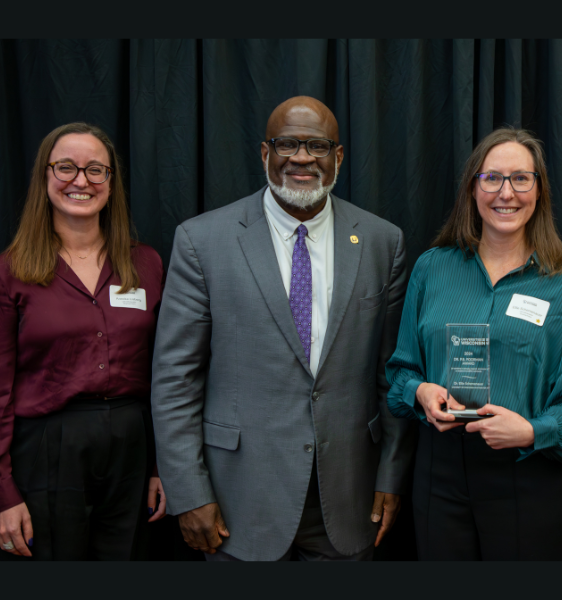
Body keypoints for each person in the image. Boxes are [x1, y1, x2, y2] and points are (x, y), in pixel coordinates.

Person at [150, 96, 415, 561]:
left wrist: (391, 476)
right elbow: (175, 380)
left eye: (316, 145)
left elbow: (392, 374)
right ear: (264, 152)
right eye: (287, 144)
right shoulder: (201, 241)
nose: (301, 157)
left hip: (348, 498)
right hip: (238, 501)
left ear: (338, 156)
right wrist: (189, 492)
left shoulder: (381, 241)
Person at [386, 128, 562, 560]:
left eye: (521, 178)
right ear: (473, 187)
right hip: (439, 470)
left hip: (527, 474)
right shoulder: (432, 268)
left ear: (538, 190)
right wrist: (420, 392)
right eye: (492, 178)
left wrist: (531, 431)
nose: (507, 193)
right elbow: (401, 372)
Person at [0, 122, 167, 560]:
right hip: (46, 450)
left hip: (133, 450)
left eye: (96, 170)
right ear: (45, 178)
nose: (81, 180)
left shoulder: (146, 264)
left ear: (111, 184)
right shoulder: (9, 272)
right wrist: (1, 494)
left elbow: (168, 374)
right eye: (66, 167)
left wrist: (162, 466)